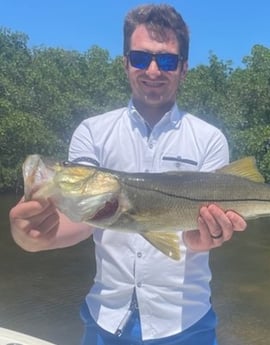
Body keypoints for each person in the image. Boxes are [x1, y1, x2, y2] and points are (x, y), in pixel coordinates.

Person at [9, 4, 247, 345]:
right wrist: (33, 238)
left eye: (166, 60)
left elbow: (195, 238)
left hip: (185, 322)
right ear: (125, 63)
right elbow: (84, 217)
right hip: (105, 318)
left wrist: (201, 240)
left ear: (183, 69)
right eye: (140, 58)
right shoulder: (92, 132)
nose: (153, 70)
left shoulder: (209, 139)